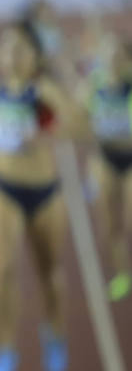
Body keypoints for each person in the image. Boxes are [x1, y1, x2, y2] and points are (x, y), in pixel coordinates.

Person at [0, 19, 87, 371]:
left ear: (35, 55)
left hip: (45, 192)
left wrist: (47, 131)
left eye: (19, 48)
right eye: (5, 47)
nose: (10, 55)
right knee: (2, 268)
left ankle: (55, 333)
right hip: (1, 189)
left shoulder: (44, 88)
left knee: (48, 270)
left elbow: (81, 127)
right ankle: (5, 348)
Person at [78, 32, 132, 301]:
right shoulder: (93, 87)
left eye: (118, 56)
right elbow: (79, 121)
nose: (113, 61)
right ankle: (122, 275)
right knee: (110, 225)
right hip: (105, 160)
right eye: (108, 56)